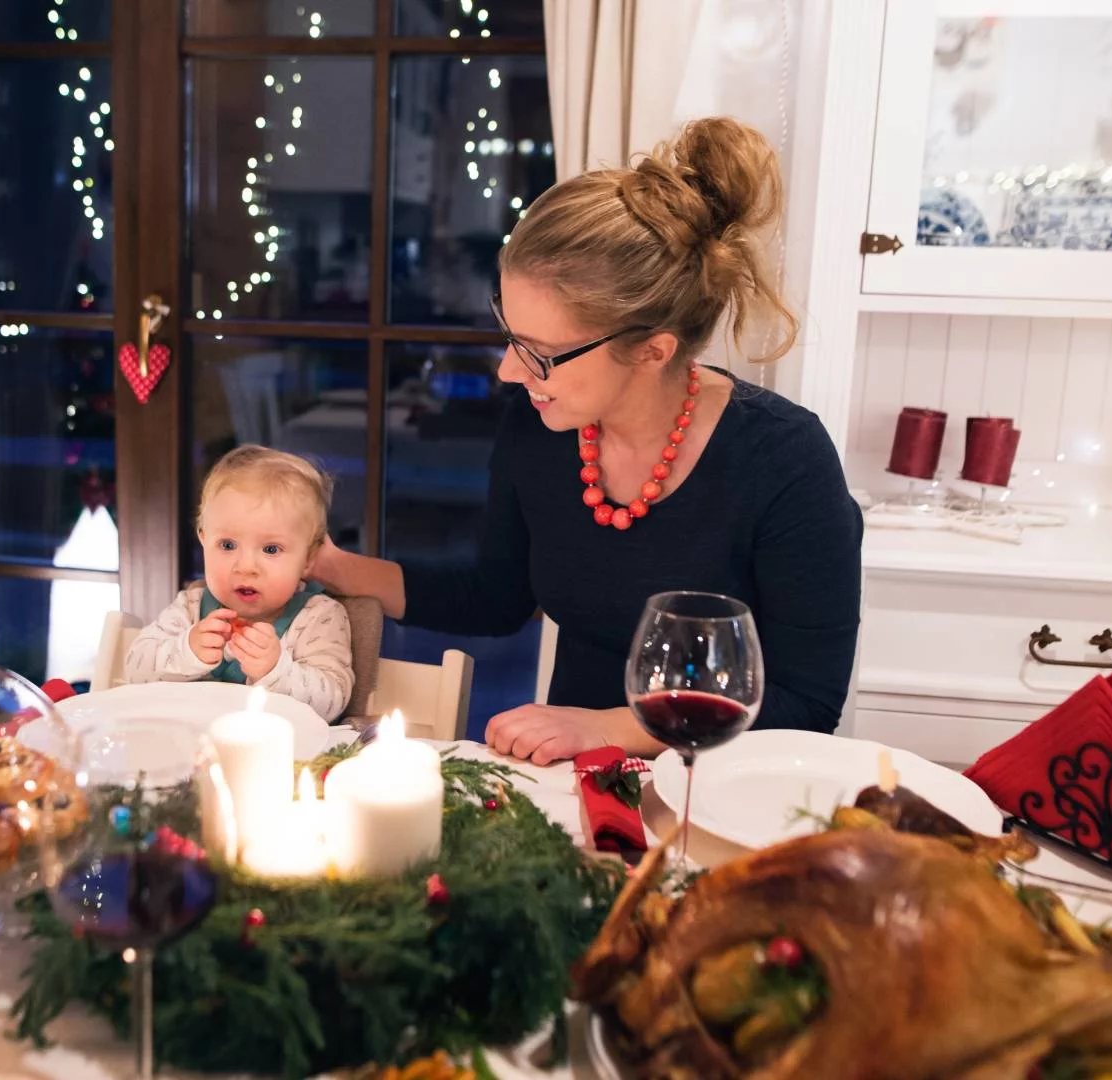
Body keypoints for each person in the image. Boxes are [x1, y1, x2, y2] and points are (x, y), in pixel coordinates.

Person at [310, 117, 862, 764]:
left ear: (652, 351)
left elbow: (807, 701)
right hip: (571, 781)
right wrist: (332, 566)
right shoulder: (541, 428)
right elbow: (496, 598)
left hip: (718, 794)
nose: (509, 372)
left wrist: (605, 728)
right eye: (510, 336)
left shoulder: (785, 461)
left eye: (539, 354)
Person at [125, 445, 355, 721]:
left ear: (308, 559)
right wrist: (186, 650)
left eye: (271, 549)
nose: (245, 567)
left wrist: (275, 669)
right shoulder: (192, 607)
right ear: (203, 540)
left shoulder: (318, 617)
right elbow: (135, 669)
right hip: (190, 748)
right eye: (227, 544)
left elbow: (333, 702)